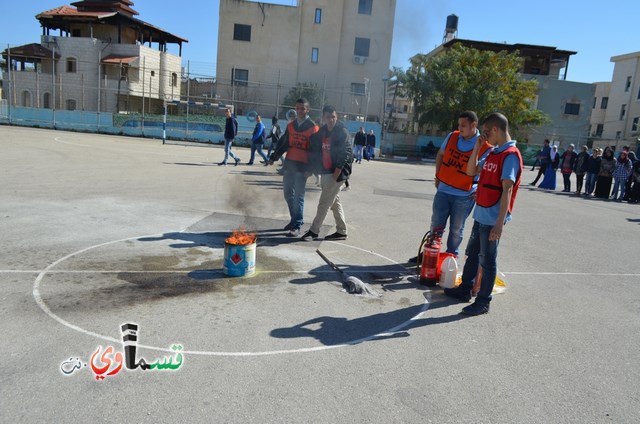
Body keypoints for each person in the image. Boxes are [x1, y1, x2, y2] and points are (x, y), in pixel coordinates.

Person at [444, 112, 523, 316]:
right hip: (481, 215)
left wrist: (499, 224)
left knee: (488, 261)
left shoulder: (510, 155)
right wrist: (478, 148)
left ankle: (483, 301)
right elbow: (471, 172)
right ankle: (465, 289)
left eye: (487, 132)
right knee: (472, 255)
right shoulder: (492, 152)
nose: (484, 135)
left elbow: (507, 189)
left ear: (496, 130)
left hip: (492, 219)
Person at [420, 111, 492, 259]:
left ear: (474, 125)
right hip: (444, 190)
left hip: (464, 195)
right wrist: (437, 176)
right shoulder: (453, 136)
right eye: (459, 124)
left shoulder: (485, 146)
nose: (460, 128)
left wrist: (479, 189)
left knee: (456, 229)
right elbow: (440, 154)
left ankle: (450, 256)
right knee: (436, 225)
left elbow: (486, 172)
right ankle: (430, 255)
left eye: (463, 125)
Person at [267, 98, 319, 237]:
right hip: (290, 164)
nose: (300, 111)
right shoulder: (291, 126)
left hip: (303, 167)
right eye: (298, 108)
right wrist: (274, 157)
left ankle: (297, 225)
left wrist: (312, 169)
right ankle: (294, 219)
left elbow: (316, 151)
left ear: (308, 110)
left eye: (303, 108)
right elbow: (283, 143)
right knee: (288, 194)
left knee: (298, 197)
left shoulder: (313, 127)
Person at [302, 105, 353, 241]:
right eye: (328, 117)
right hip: (326, 171)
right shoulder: (322, 132)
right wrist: (310, 169)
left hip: (337, 173)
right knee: (334, 203)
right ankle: (342, 231)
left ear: (337, 117)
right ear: (323, 118)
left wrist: (337, 171)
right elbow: (316, 151)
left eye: (333, 117)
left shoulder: (342, 132)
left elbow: (346, 152)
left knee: (324, 203)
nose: (331, 120)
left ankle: (314, 231)